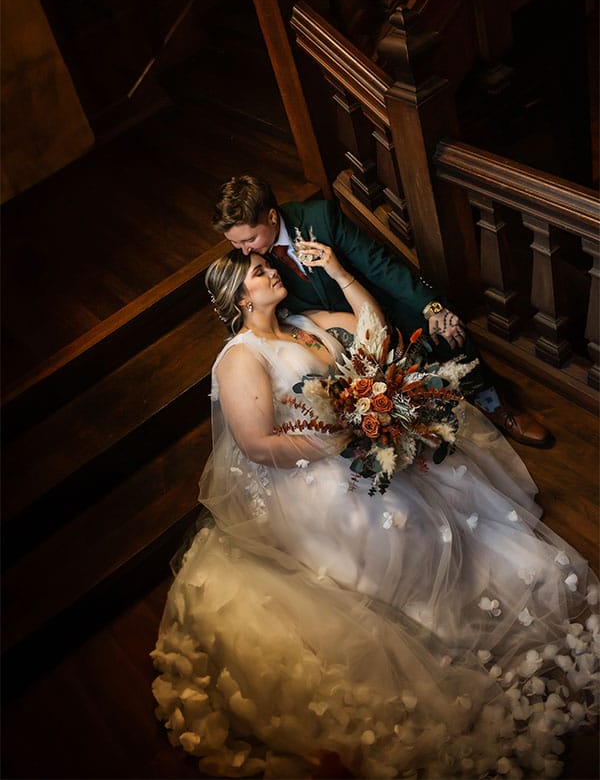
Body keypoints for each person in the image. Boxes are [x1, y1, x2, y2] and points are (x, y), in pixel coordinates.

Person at [151, 243, 598, 779]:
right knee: (388, 524)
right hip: (306, 474)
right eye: (257, 271)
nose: (270, 270)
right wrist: (334, 443)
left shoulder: (301, 323)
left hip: (353, 444)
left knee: (440, 497)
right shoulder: (242, 356)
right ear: (239, 297)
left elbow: (370, 326)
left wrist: (338, 274)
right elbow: (257, 444)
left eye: (266, 265)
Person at [212, 174, 553, 448]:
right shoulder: (254, 265)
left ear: (272, 217)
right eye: (236, 243)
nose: (243, 250)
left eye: (249, 239)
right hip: (335, 334)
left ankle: (493, 402)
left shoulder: (320, 218)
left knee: (444, 325)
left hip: (379, 306)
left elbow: (378, 265)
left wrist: (431, 307)